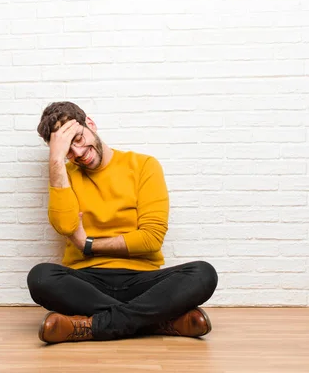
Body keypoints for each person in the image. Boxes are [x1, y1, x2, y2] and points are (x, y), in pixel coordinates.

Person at [27, 101, 218, 344]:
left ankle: (90, 326)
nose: (77, 153)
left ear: (91, 124)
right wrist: (55, 162)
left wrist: (88, 245)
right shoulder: (64, 177)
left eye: (77, 139)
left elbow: (151, 239)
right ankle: (158, 321)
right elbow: (65, 226)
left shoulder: (143, 166)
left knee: (203, 273)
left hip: (143, 281)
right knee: (40, 277)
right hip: (88, 282)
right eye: (66, 150)